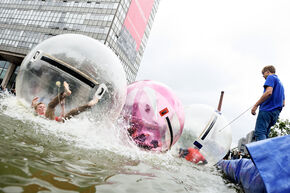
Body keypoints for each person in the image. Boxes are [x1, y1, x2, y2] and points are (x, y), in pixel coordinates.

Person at [31, 81, 107, 122]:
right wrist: (33, 104)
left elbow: (61, 119)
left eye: (43, 107)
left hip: (52, 121)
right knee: (51, 106)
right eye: (40, 107)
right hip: (48, 120)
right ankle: (65, 93)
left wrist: (63, 107)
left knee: (71, 112)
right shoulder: (36, 114)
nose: (43, 108)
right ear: (37, 109)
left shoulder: (46, 114)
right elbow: (32, 109)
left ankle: (91, 104)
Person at [251, 65, 285, 141]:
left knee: (260, 133)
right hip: (275, 113)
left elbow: (268, 92)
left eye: (263, 74)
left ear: (267, 72)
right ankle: (266, 151)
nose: (263, 76)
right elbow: (283, 103)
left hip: (266, 110)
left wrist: (256, 105)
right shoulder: (281, 84)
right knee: (265, 134)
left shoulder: (271, 77)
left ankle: (262, 152)